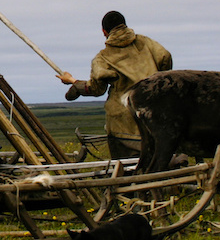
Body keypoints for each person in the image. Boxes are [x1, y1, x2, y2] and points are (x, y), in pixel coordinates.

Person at [58, 10, 172, 159]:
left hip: (123, 122)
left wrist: (72, 81)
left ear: (104, 31)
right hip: (155, 113)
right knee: (159, 159)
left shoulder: (103, 57)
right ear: (124, 25)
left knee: (126, 166)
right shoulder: (147, 43)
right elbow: (166, 58)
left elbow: (96, 89)